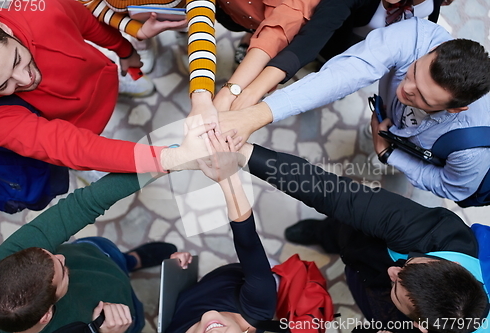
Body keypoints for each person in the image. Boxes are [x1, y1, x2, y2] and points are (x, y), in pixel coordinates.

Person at [219, 18, 490, 202]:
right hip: (391, 125)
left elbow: (452, 187)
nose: (406, 89)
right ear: (435, 50)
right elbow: (346, 74)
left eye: (424, 99)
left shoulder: (471, 151)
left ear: (455, 110)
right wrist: (257, 114)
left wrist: (389, 153)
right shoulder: (418, 36)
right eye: (413, 72)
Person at [235, 141, 489, 333]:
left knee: (364, 290)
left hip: (380, 304)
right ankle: (325, 234)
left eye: (398, 289)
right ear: (453, 266)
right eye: (407, 268)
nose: (393, 272)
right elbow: (338, 195)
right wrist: (244, 155)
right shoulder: (439, 231)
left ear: (420, 327)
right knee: (344, 228)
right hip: (366, 242)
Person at [0, 123, 222, 333]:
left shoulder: (1, 266)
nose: (60, 254)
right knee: (134, 319)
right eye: (61, 269)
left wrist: (168, 159)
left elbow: (85, 203)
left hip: (95, 258)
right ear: (46, 315)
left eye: (50, 254)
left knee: (108, 255)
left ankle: (130, 261)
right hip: (119, 317)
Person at [0, 0, 229, 175]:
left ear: (5, 29)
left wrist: (124, 50)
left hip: (100, 74)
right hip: (74, 125)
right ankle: (84, 171)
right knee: (79, 156)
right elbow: (70, 146)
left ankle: (119, 84)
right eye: (4, 85)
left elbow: (86, 23)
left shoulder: (39, 8)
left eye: (17, 60)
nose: (25, 80)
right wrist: (170, 157)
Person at [228, 0, 451, 111]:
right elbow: (313, 37)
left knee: (327, 73)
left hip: (352, 48)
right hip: (330, 32)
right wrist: (254, 90)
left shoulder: (430, 10)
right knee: (276, 31)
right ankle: (250, 39)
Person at [164, 130, 278, 333]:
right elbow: (247, 243)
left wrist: (175, 272)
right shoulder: (259, 307)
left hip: (210, 284)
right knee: (265, 274)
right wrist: (229, 178)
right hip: (245, 279)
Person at [77, 0, 187, 74]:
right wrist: (135, 29)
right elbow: (90, 2)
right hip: (130, 13)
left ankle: (184, 37)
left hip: (182, 8)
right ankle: (142, 42)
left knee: (184, 24)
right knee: (137, 21)